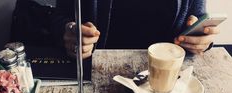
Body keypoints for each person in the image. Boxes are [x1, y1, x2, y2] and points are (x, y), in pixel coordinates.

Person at [51, 0, 220, 59]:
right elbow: (59, 18)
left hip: (171, 82)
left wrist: (200, 38)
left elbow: (198, 17)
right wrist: (69, 32)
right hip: (97, 77)